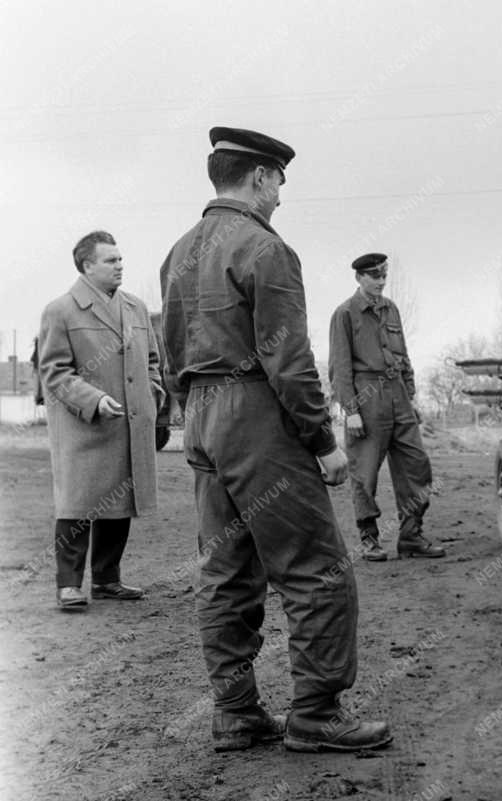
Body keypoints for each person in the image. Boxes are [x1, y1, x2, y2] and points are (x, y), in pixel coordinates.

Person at [160, 126, 390, 754]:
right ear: (260, 176)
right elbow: (288, 361)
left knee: (225, 573)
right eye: (280, 181)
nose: (282, 195)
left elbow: (170, 350)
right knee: (318, 569)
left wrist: (197, 413)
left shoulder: (178, 252)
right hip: (257, 417)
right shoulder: (267, 248)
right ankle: (316, 713)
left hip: (202, 417)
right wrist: (323, 442)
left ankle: (236, 713)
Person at [38, 231, 160, 611]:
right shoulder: (60, 310)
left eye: (121, 259)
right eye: (111, 260)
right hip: (83, 427)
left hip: (128, 424)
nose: (120, 265)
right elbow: (55, 372)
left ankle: (107, 580)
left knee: (119, 501)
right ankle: (69, 585)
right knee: (77, 504)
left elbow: (153, 362)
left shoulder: (136, 308)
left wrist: (152, 395)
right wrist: (93, 400)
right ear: (87, 266)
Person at [329, 253, 444, 562]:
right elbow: (339, 367)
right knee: (364, 474)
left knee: (416, 466)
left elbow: (403, 356)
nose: (381, 281)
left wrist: (411, 396)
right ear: (359, 278)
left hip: (399, 397)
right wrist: (351, 410)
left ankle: (411, 536)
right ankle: (369, 539)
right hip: (367, 399)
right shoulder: (345, 313)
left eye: (384, 275)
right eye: (374, 276)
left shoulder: (391, 309)